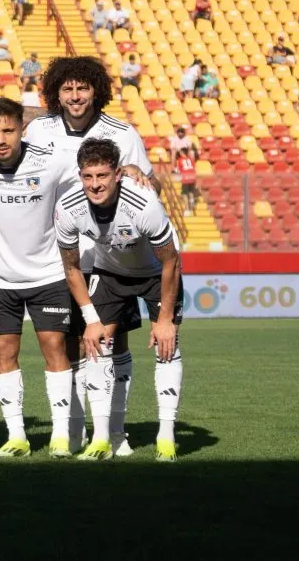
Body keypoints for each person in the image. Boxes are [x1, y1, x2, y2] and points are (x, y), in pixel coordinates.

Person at [25, 56, 160, 457]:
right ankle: (76, 430)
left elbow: (146, 183)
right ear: (56, 93)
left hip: (107, 259)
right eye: (67, 88)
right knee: (68, 347)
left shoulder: (122, 132)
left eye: (82, 88)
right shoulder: (40, 130)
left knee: (111, 344)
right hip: (56, 255)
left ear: (96, 90)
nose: (75, 95)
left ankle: (116, 432)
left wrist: (141, 175)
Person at [0, 98, 79, 458]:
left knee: (54, 348)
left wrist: (132, 169)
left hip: (48, 273)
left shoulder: (53, 161)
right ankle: (17, 436)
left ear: (22, 130)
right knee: (3, 351)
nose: (0, 139)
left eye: (8, 130)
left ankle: (60, 435)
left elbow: (93, 174)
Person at [56, 138, 183, 462]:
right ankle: (101, 439)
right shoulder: (69, 207)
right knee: (97, 345)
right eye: (88, 176)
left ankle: (166, 439)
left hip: (156, 273)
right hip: (109, 273)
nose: (95, 184)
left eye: (102, 176)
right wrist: (91, 319)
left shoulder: (143, 203)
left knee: (167, 345)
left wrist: (165, 319)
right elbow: (71, 267)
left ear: (117, 174)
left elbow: (171, 261)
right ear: (80, 175)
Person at [176, 147, 198, 215]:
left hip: (185, 178)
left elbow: (178, 170)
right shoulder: (191, 159)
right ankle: (192, 201)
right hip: (192, 177)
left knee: (184, 193)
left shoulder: (180, 160)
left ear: (182, 152)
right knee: (191, 191)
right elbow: (194, 168)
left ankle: (187, 209)